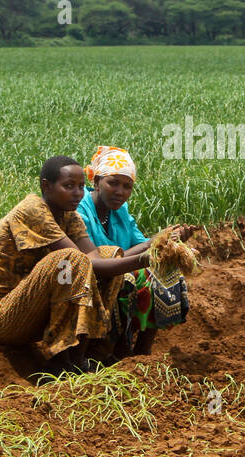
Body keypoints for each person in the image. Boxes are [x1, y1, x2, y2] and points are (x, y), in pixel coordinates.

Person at [0, 156, 150, 375]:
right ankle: (60, 362)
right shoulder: (32, 210)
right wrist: (146, 258)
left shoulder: (69, 216)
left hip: (31, 312)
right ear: (46, 186)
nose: (77, 193)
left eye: (79, 187)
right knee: (71, 260)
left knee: (108, 253)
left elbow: (96, 259)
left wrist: (150, 250)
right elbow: (82, 261)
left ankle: (83, 357)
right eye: (68, 186)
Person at [75, 146, 195, 357]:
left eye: (127, 186)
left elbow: (142, 242)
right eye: (113, 183)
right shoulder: (80, 210)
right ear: (96, 182)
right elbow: (98, 261)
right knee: (130, 279)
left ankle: (142, 350)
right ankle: (113, 350)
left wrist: (167, 240)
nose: (120, 191)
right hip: (89, 281)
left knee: (165, 271)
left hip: (116, 275)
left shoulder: (120, 211)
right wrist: (155, 242)